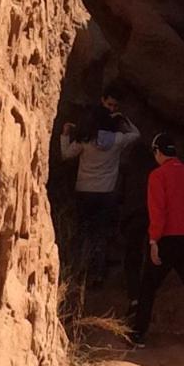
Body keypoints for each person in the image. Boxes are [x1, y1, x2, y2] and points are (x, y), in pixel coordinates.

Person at [129, 132, 184, 351]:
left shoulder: (157, 176)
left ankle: (138, 335)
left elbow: (158, 211)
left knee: (148, 287)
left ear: (158, 152)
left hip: (166, 240)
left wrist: (153, 241)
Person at [61, 88, 140, 286]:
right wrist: (122, 119)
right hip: (106, 194)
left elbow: (65, 155)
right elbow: (136, 134)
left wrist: (64, 135)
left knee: (84, 232)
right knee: (101, 233)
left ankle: (78, 272)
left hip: (84, 191)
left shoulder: (85, 140)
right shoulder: (117, 141)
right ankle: (98, 274)